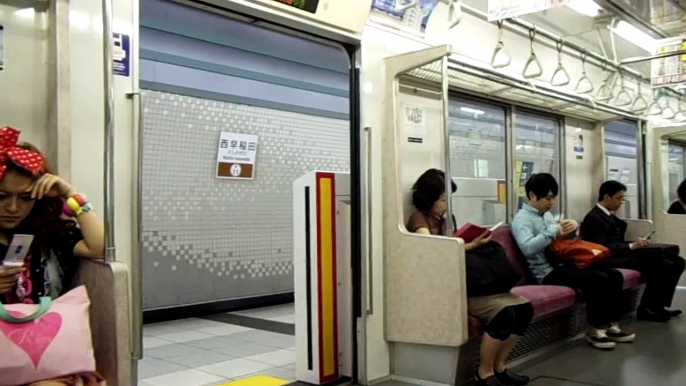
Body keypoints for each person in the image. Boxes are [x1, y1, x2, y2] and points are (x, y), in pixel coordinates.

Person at [406, 169, 533, 386]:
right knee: (505, 314)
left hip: (463, 281)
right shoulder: (419, 219)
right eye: (444, 199)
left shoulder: (446, 219)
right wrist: (470, 245)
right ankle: (484, 373)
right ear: (430, 199)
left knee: (524, 310)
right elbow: (433, 252)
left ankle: (499, 366)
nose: (447, 205)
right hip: (446, 287)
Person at [511, 173, 634, 350]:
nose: (551, 203)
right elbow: (527, 248)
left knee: (613, 274)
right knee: (598, 278)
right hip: (546, 272)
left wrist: (571, 228)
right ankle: (594, 329)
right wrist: (552, 231)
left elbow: (560, 243)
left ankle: (612, 324)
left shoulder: (545, 215)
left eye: (553, 198)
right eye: (548, 198)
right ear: (532, 195)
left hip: (562, 263)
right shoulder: (521, 220)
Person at [0, 127, 104, 305]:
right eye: (1, 197)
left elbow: (98, 247)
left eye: (26, 197)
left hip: (45, 330)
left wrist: (70, 194)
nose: (13, 207)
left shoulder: (48, 234)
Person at [581, 180, 684, 322]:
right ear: (606, 197)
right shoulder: (593, 218)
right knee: (663, 264)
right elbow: (602, 247)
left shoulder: (609, 216)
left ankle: (659, 306)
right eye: (618, 198)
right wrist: (630, 246)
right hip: (608, 258)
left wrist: (634, 244)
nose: (621, 202)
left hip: (620, 253)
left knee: (678, 261)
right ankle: (646, 308)